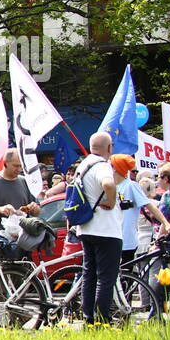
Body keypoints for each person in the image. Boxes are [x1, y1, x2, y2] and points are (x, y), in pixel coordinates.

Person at [65, 133, 121, 324]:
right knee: (106, 277)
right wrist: (112, 202)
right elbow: (108, 183)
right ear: (109, 148)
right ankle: (102, 320)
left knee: (89, 273)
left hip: (86, 227)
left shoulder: (83, 165)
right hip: (105, 229)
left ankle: (89, 317)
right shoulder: (102, 165)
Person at [0, 149, 41, 262]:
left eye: (21, 166)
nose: (19, 169)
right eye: (15, 166)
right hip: (0, 243)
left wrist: (34, 208)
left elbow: (37, 210)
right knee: (2, 277)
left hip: (23, 241)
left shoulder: (24, 182)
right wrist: (0, 209)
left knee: (25, 276)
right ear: (5, 163)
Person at [110, 153, 170, 265]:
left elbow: (149, 205)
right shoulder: (109, 186)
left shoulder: (131, 186)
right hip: (110, 239)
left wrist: (165, 223)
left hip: (126, 241)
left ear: (115, 168)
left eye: (110, 165)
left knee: (124, 278)